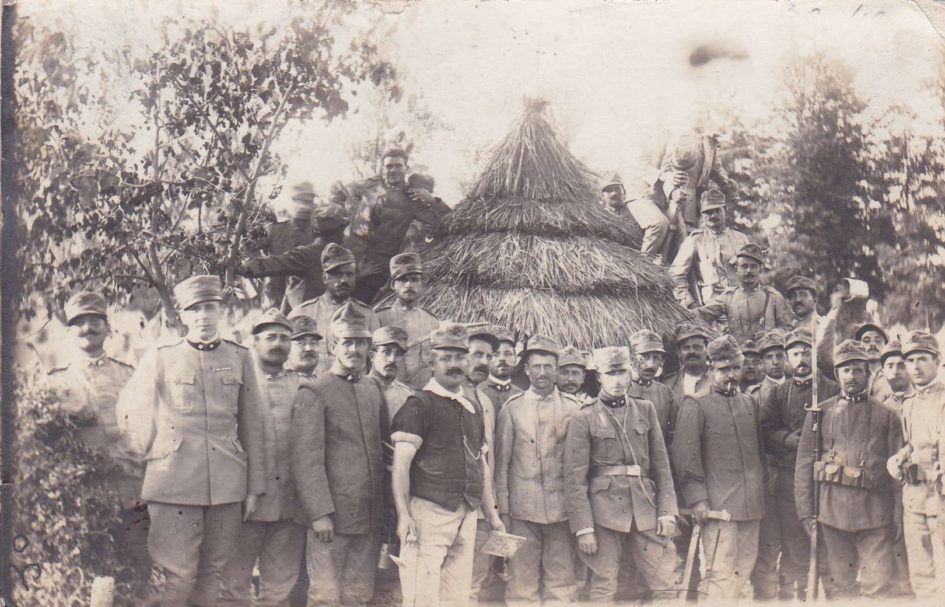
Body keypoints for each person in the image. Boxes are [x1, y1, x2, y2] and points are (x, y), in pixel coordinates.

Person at [117, 275, 266, 607]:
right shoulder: (162, 356)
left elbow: (253, 424)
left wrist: (254, 487)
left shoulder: (240, 356)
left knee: (212, 573)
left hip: (227, 483)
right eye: (194, 309)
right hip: (173, 482)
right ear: (182, 315)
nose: (202, 316)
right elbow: (132, 413)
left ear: (220, 312)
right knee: (180, 577)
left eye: (209, 308)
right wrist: (146, 459)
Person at [390, 323, 506, 607]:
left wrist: (492, 517)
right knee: (422, 596)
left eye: (459, 357)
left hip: (466, 514)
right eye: (446, 358)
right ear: (432, 361)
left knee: (457, 597)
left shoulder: (471, 408)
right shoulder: (418, 405)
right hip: (428, 514)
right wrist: (404, 516)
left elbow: (482, 466)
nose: (454, 365)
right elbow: (401, 466)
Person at [564, 346, 678, 602]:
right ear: (599, 377)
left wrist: (667, 511)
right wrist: (583, 528)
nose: (617, 380)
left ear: (630, 373)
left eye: (622, 372)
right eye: (610, 373)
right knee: (604, 585)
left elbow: (661, 465)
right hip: (604, 513)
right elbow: (574, 479)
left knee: (664, 583)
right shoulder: (583, 416)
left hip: (646, 508)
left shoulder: (645, 409)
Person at [290, 302, 385, 606]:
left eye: (361, 342)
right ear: (333, 345)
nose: (355, 349)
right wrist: (319, 513)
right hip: (332, 518)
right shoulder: (315, 391)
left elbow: (381, 452)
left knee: (359, 595)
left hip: (368, 517)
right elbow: (307, 460)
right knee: (325, 596)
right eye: (348, 342)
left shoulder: (373, 389)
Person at [794, 339, 904, 599]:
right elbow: (804, 468)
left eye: (857, 370)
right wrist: (805, 512)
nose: (852, 376)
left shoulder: (887, 416)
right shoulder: (820, 413)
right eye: (846, 370)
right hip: (831, 515)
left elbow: (897, 476)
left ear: (868, 373)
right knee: (840, 588)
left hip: (875, 516)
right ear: (837, 374)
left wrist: (898, 514)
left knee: (878, 587)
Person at [47, 291, 145, 567]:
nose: (87, 328)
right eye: (78, 322)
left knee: (139, 570)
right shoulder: (54, 382)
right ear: (69, 331)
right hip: (86, 498)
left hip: (134, 491)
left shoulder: (130, 375)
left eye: (94, 321)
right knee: (96, 576)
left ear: (107, 327)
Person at [220, 310, 307, 606]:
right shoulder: (234, 384)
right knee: (233, 585)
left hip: (288, 503)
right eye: (270, 337)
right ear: (253, 342)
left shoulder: (301, 385)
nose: (278, 344)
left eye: (284, 338)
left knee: (280, 587)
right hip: (245, 504)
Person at [672, 335, 766, 600]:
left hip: (751, 506)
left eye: (735, 368)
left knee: (743, 569)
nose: (731, 375)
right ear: (711, 368)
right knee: (720, 572)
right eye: (723, 369)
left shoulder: (748, 403)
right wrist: (698, 500)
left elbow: (758, 453)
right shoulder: (696, 404)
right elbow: (685, 457)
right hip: (718, 507)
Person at [494, 335, 582, 603]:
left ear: (557, 370)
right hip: (522, 513)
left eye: (548, 366)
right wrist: (504, 511)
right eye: (536, 366)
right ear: (526, 369)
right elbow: (502, 466)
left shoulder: (574, 408)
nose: (542, 372)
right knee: (521, 584)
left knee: (562, 582)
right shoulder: (512, 409)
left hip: (562, 512)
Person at [757, 328, 839, 600]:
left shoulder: (831, 387)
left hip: (827, 483)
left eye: (806, 351)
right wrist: (787, 439)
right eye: (795, 353)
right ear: (788, 359)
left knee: (828, 550)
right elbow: (766, 431)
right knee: (796, 548)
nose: (801, 358)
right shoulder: (780, 394)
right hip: (791, 482)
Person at [345, 148, 451, 303]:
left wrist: (433, 201)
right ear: (382, 169)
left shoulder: (411, 198)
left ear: (406, 169)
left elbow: (448, 219)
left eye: (398, 166)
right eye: (388, 166)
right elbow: (356, 233)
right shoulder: (371, 191)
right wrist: (359, 268)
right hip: (361, 263)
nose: (393, 170)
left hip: (386, 268)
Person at [887, 331, 945, 598]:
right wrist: (898, 458)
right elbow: (912, 444)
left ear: (938, 360)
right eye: (910, 361)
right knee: (920, 574)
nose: (916, 367)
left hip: (941, 497)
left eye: (922, 359)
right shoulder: (909, 404)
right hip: (914, 498)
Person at [369, 325, 415, 607]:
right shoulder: (357, 388)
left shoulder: (408, 396)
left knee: (391, 555)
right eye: (386, 351)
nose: (392, 359)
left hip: (393, 483)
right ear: (372, 354)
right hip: (362, 483)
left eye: (398, 354)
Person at [236, 204, 349, 312]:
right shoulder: (341, 254)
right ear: (339, 232)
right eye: (342, 230)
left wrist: (242, 267)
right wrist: (245, 268)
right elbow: (275, 263)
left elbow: (275, 263)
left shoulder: (308, 253)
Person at [293, 243, 378, 374]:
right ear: (325, 278)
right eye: (337, 274)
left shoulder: (367, 315)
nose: (343, 280)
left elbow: (376, 360)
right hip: (315, 388)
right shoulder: (303, 313)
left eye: (349, 274)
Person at [696, 242, 794, 342]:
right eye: (744, 266)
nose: (748, 270)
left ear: (760, 269)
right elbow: (701, 315)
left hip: (767, 353)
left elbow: (787, 328)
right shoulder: (728, 297)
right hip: (740, 354)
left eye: (753, 266)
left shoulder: (774, 297)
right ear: (736, 269)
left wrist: (770, 334)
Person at [668, 189, 750, 308]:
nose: (713, 216)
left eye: (717, 210)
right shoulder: (695, 240)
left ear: (725, 210)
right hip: (711, 311)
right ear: (702, 215)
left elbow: (752, 274)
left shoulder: (741, 239)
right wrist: (690, 303)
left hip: (741, 307)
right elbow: (675, 274)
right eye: (708, 212)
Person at [373, 252, 440, 390]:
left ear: (422, 284)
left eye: (415, 279)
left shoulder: (431, 321)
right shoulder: (380, 318)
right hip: (387, 391)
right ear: (393, 284)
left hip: (421, 394)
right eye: (403, 280)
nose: (409, 285)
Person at [657, 132, 740, 230]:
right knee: (677, 235)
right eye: (697, 115)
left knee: (699, 236)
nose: (700, 118)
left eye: (703, 116)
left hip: (700, 200)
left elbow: (716, 167)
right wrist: (673, 186)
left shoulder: (709, 141)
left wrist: (726, 183)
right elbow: (666, 170)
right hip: (679, 198)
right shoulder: (679, 137)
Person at [600, 171, 670, 259]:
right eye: (609, 190)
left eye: (617, 188)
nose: (614, 193)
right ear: (602, 196)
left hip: (635, 261)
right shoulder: (600, 216)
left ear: (624, 191)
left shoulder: (635, 207)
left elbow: (659, 223)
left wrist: (644, 257)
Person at [627, 329, 676, 446]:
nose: (651, 365)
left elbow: (673, 434)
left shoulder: (665, 393)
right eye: (644, 357)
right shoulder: (620, 392)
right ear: (631, 358)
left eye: (656, 357)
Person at [480, 327, 526, 416]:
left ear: (515, 359)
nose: (502, 359)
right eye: (495, 354)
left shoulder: (523, 397)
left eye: (507, 354)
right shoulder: (477, 394)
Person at [662, 324, 712, 403]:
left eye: (697, 347)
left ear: (707, 349)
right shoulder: (668, 385)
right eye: (686, 348)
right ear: (678, 353)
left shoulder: (718, 379)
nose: (692, 351)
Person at [286, 313, 322, 378]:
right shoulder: (278, 384)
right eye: (301, 343)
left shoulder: (325, 383)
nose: (308, 348)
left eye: (313, 343)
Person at [756, 330, 787, 403]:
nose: (775, 362)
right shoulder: (755, 395)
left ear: (786, 358)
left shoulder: (797, 389)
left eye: (779, 356)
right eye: (769, 357)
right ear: (762, 362)